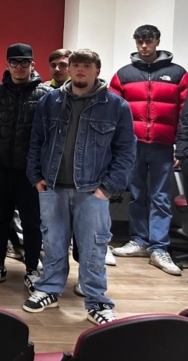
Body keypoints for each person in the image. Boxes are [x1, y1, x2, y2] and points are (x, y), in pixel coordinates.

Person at [24, 49, 136, 325]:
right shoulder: (50, 101)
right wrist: (35, 177)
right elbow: (36, 141)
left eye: (87, 65)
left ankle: (97, 301)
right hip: (52, 187)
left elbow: (126, 151)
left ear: (97, 70)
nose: (80, 70)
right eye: (76, 65)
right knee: (52, 242)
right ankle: (49, 289)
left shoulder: (116, 105)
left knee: (94, 247)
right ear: (70, 69)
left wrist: (107, 188)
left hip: (93, 190)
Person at [110, 25, 188, 275]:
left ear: (157, 41)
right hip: (132, 147)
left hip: (163, 146)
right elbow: (112, 112)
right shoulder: (124, 74)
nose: (144, 46)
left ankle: (159, 248)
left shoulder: (178, 74)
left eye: (149, 41)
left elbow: (185, 114)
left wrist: (181, 146)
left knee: (160, 197)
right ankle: (139, 241)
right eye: (140, 41)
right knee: (136, 195)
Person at [0, 43, 51, 289]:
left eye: (24, 62)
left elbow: (53, 131)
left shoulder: (46, 95)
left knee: (31, 222)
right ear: (7, 64)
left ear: (32, 64)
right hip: (0, 168)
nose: (19, 67)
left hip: (31, 172)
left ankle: (32, 269)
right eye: (14, 62)